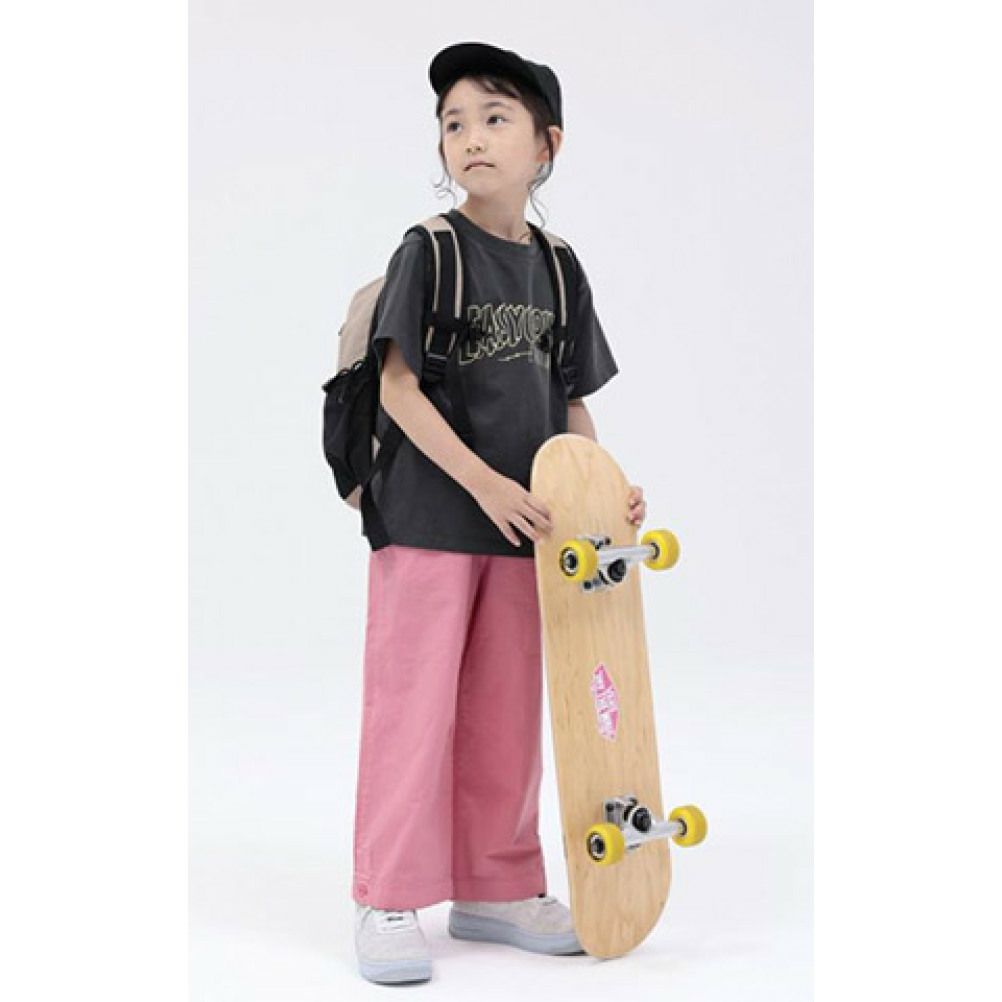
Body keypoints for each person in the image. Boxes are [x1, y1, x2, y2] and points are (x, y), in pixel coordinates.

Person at [350, 41, 648, 985]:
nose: (470, 138)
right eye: (453, 123)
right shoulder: (429, 250)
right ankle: (389, 897)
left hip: (533, 534)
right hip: (428, 522)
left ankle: (497, 887)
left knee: (508, 716)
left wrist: (603, 491)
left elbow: (570, 401)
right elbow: (397, 389)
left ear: (546, 145)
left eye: (494, 118)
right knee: (413, 712)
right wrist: (482, 483)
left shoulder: (558, 267)